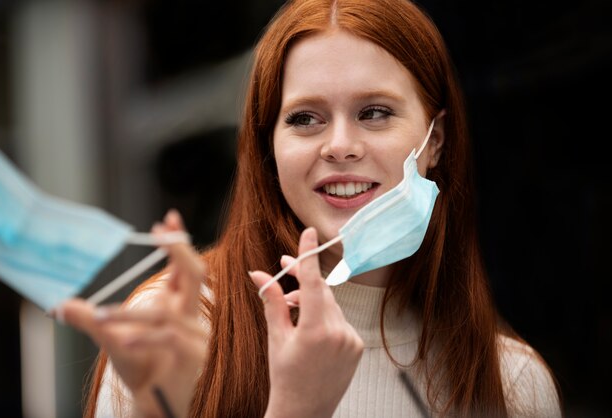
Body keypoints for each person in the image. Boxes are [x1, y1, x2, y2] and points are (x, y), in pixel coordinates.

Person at [60, 0, 562, 417]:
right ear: (267, 147)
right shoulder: (181, 334)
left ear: (436, 141)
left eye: (375, 112)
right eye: (305, 118)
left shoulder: (514, 385)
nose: (340, 146)